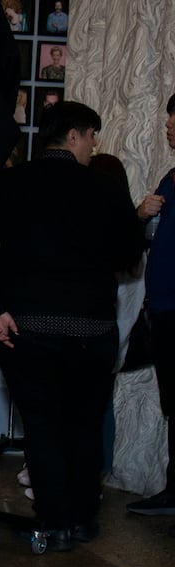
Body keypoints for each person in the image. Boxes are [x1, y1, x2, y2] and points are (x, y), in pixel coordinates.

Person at [0, 101, 144, 549]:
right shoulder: (105, 186)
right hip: (90, 328)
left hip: (27, 326)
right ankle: (82, 518)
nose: (94, 145)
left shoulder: (10, 183)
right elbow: (129, 254)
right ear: (74, 135)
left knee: (41, 426)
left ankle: (53, 522)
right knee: (84, 425)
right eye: (92, 136)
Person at [128, 92, 175, 516]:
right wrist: (141, 215)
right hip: (162, 308)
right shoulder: (169, 179)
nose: (169, 127)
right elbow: (148, 238)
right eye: (168, 120)